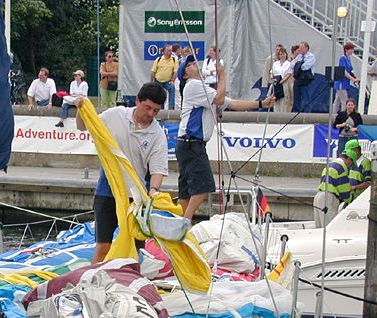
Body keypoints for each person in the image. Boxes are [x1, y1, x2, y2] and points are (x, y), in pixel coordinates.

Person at [75, 82, 168, 263]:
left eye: (156, 111)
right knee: (103, 246)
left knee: (136, 248)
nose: (150, 114)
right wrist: (81, 108)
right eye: (147, 108)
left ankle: (133, 277)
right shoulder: (115, 115)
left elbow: (158, 169)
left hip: (136, 195)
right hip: (108, 189)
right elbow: (83, 126)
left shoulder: (157, 134)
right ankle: (95, 276)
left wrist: (154, 191)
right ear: (137, 100)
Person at [176, 57, 275, 221]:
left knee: (186, 190)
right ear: (185, 74)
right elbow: (220, 99)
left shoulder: (203, 89)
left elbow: (232, 103)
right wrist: (222, 76)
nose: (195, 65)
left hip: (187, 144)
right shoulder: (193, 85)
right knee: (204, 186)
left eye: (194, 63)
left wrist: (260, 104)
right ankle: (185, 221)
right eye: (190, 65)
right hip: (191, 143)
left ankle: (178, 221)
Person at [313, 150, 357, 228]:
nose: (351, 166)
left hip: (318, 196)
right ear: (348, 159)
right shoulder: (341, 168)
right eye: (352, 163)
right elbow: (344, 190)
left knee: (319, 226)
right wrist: (349, 199)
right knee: (329, 226)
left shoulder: (330, 165)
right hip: (328, 198)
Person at [332, 42, 359, 114]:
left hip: (345, 83)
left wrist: (355, 77)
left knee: (337, 101)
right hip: (341, 83)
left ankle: (333, 114)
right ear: (346, 50)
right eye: (351, 49)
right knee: (344, 101)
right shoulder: (342, 58)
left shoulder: (348, 59)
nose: (352, 51)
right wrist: (352, 79)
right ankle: (344, 115)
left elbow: (350, 71)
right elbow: (343, 71)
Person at [150, 44, 178, 110]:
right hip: (158, 81)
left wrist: (173, 81)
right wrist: (152, 82)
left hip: (168, 81)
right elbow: (153, 71)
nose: (171, 52)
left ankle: (171, 108)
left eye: (171, 50)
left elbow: (175, 71)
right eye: (169, 51)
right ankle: (160, 108)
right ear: (164, 51)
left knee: (172, 88)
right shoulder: (158, 59)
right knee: (159, 94)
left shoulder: (174, 60)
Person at [344, 139, 371, 203]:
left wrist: (354, 187)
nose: (347, 155)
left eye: (349, 152)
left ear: (356, 151)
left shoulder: (365, 163)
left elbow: (368, 183)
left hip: (360, 199)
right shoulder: (351, 162)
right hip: (351, 198)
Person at [293, 41, 316, 112]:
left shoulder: (311, 56)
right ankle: (296, 112)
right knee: (296, 97)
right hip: (298, 78)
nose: (300, 49)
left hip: (306, 79)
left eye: (302, 48)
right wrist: (298, 64)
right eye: (299, 48)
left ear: (306, 48)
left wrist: (298, 65)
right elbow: (292, 65)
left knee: (306, 97)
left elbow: (305, 67)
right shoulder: (299, 56)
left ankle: (306, 113)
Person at [271, 46, 293, 112]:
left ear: (286, 54)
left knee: (284, 101)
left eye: (283, 54)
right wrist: (275, 81)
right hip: (276, 84)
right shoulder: (275, 64)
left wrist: (281, 81)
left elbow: (288, 74)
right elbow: (272, 73)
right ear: (279, 55)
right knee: (276, 100)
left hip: (284, 84)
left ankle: (283, 115)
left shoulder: (289, 64)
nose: (282, 56)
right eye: (280, 54)